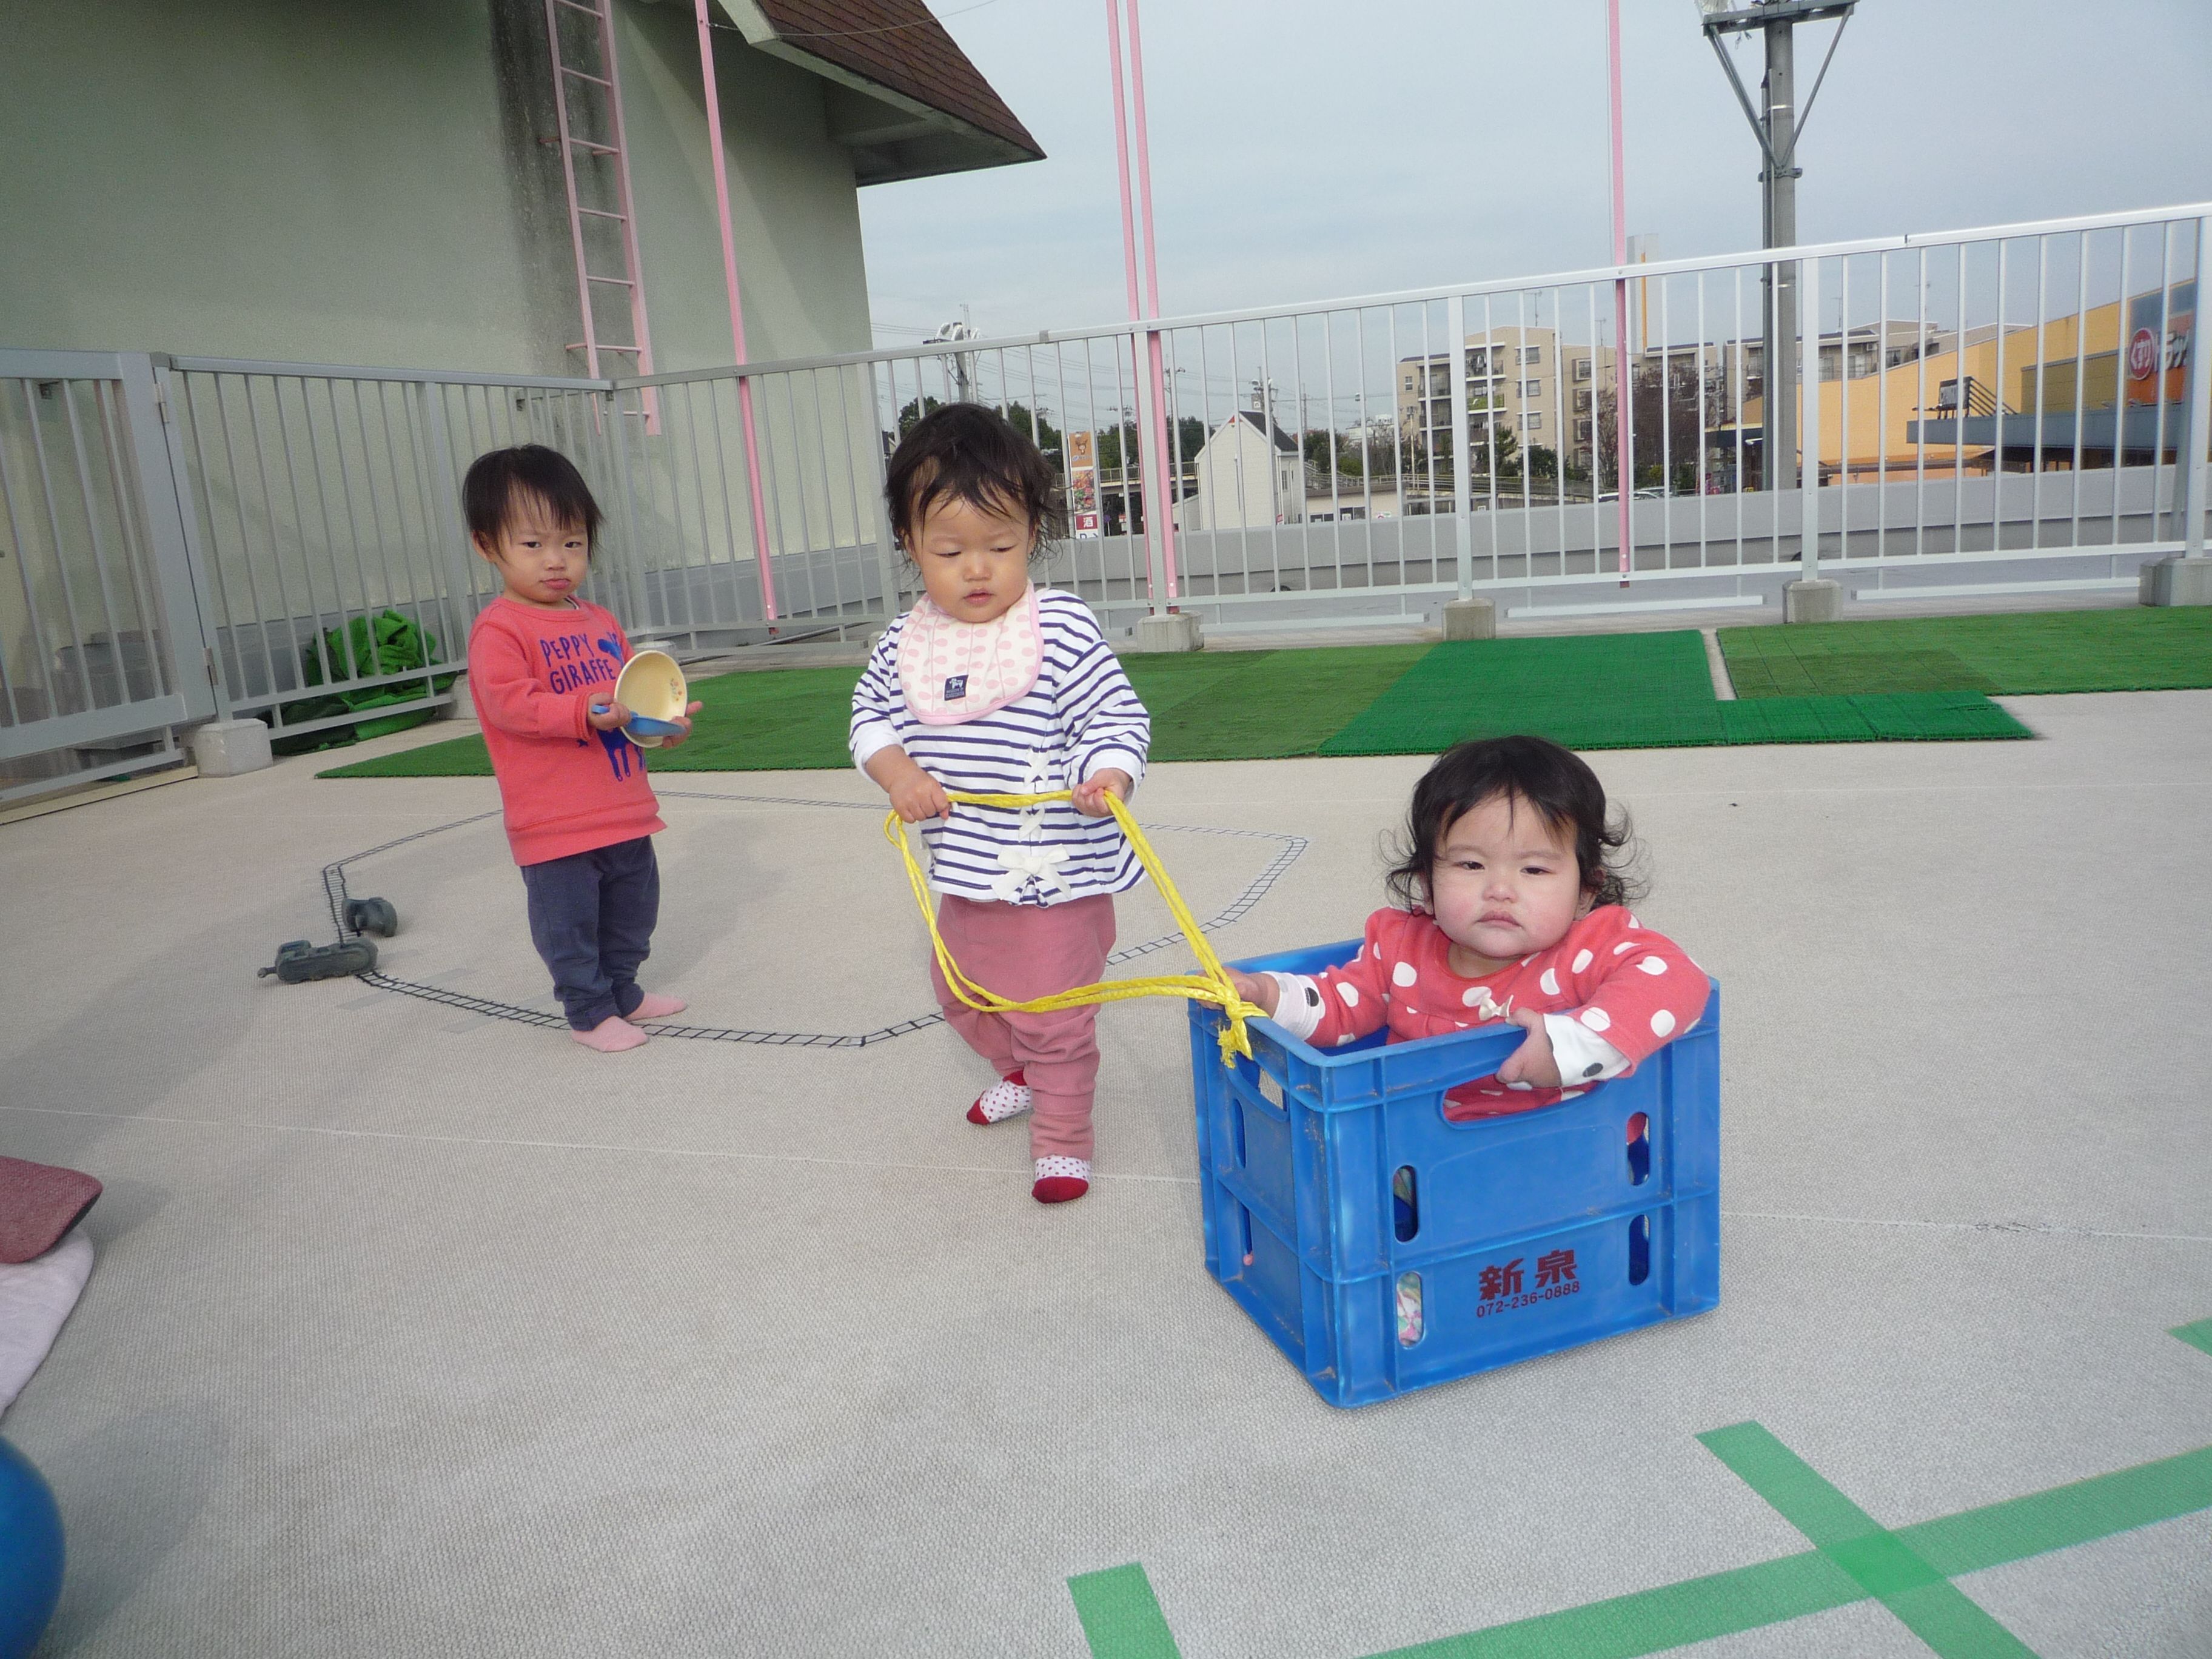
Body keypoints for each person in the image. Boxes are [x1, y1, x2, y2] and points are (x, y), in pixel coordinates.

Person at [851, 403, 1152, 1204]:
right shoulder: (902, 643)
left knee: (1053, 1015)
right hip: (966, 871)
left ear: (1034, 537)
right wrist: (897, 774)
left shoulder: (1058, 628)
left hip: (1054, 874)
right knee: (961, 995)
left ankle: (1062, 1142)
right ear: (912, 548)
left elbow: (1116, 718)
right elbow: (870, 720)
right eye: (950, 551)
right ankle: (1018, 1071)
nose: (977, 570)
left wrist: (1109, 776)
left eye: (1001, 546)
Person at [1227, 736, 1706, 1116]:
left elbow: (1680, 980)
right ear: (1427, 886)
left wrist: (1573, 1044)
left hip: (1558, 1155)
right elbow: (1338, 1006)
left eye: (1534, 870)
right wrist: (1266, 993)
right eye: (1471, 865)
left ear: (1586, 892)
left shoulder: (1590, 946)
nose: (1500, 888)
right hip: (1416, 1151)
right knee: (1331, 1159)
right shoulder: (1398, 948)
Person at [463, 443, 702, 1054]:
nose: (556, 561)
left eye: (572, 543)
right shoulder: (501, 629)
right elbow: (508, 704)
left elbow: (626, 698)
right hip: (556, 820)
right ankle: (589, 1011)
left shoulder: (599, 621)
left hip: (622, 806)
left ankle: (622, 991)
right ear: (487, 545)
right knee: (569, 925)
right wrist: (578, 710)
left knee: (631, 912)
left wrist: (660, 725)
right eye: (533, 544)